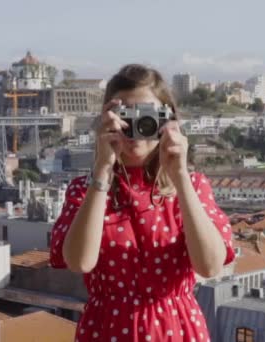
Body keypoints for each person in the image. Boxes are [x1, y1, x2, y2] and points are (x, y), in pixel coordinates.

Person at [49, 64, 235, 341]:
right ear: (107, 121)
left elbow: (209, 266)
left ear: (167, 120)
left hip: (176, 330)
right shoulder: (85, 191)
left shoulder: (192, 186)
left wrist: (180, 176)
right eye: (125, 116)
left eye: (146, 115)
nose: (134, 128)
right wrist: (102, 170)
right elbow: (79, 262)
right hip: (107, 330)